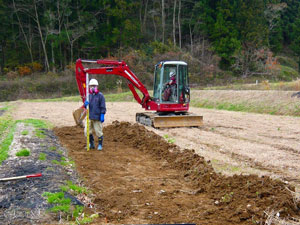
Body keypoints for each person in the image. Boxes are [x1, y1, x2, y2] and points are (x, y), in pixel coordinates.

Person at [84, 78, 106, 150]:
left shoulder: (100, 96)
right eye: (91, 86)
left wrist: (102, 114)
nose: (92, 87)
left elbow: (103, 106)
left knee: (98, 132)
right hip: (89, 116)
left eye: (94, 86)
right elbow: (86, 106)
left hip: (97, 117)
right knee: (87, 131)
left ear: (97, 86)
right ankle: (91, 144)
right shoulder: (88, 96)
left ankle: (100, 145)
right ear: (89, 87)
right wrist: (85, 104)